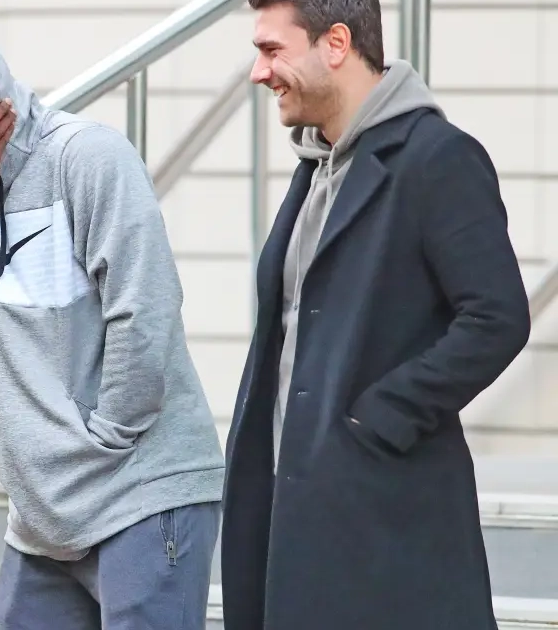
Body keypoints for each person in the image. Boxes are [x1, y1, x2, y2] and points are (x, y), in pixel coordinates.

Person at [0, 14, 224, 629]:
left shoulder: (87, 156)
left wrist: (105, 438)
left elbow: (145, 311)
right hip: (42, 518)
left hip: (139, 487)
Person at [221, 0, 531, 627]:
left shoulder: (437, 158)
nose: (259, 72)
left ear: (336, 43)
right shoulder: (316, 167)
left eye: (272, 50)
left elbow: (496, 317)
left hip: (382, 517)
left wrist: (379, 416)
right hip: (291, 505)